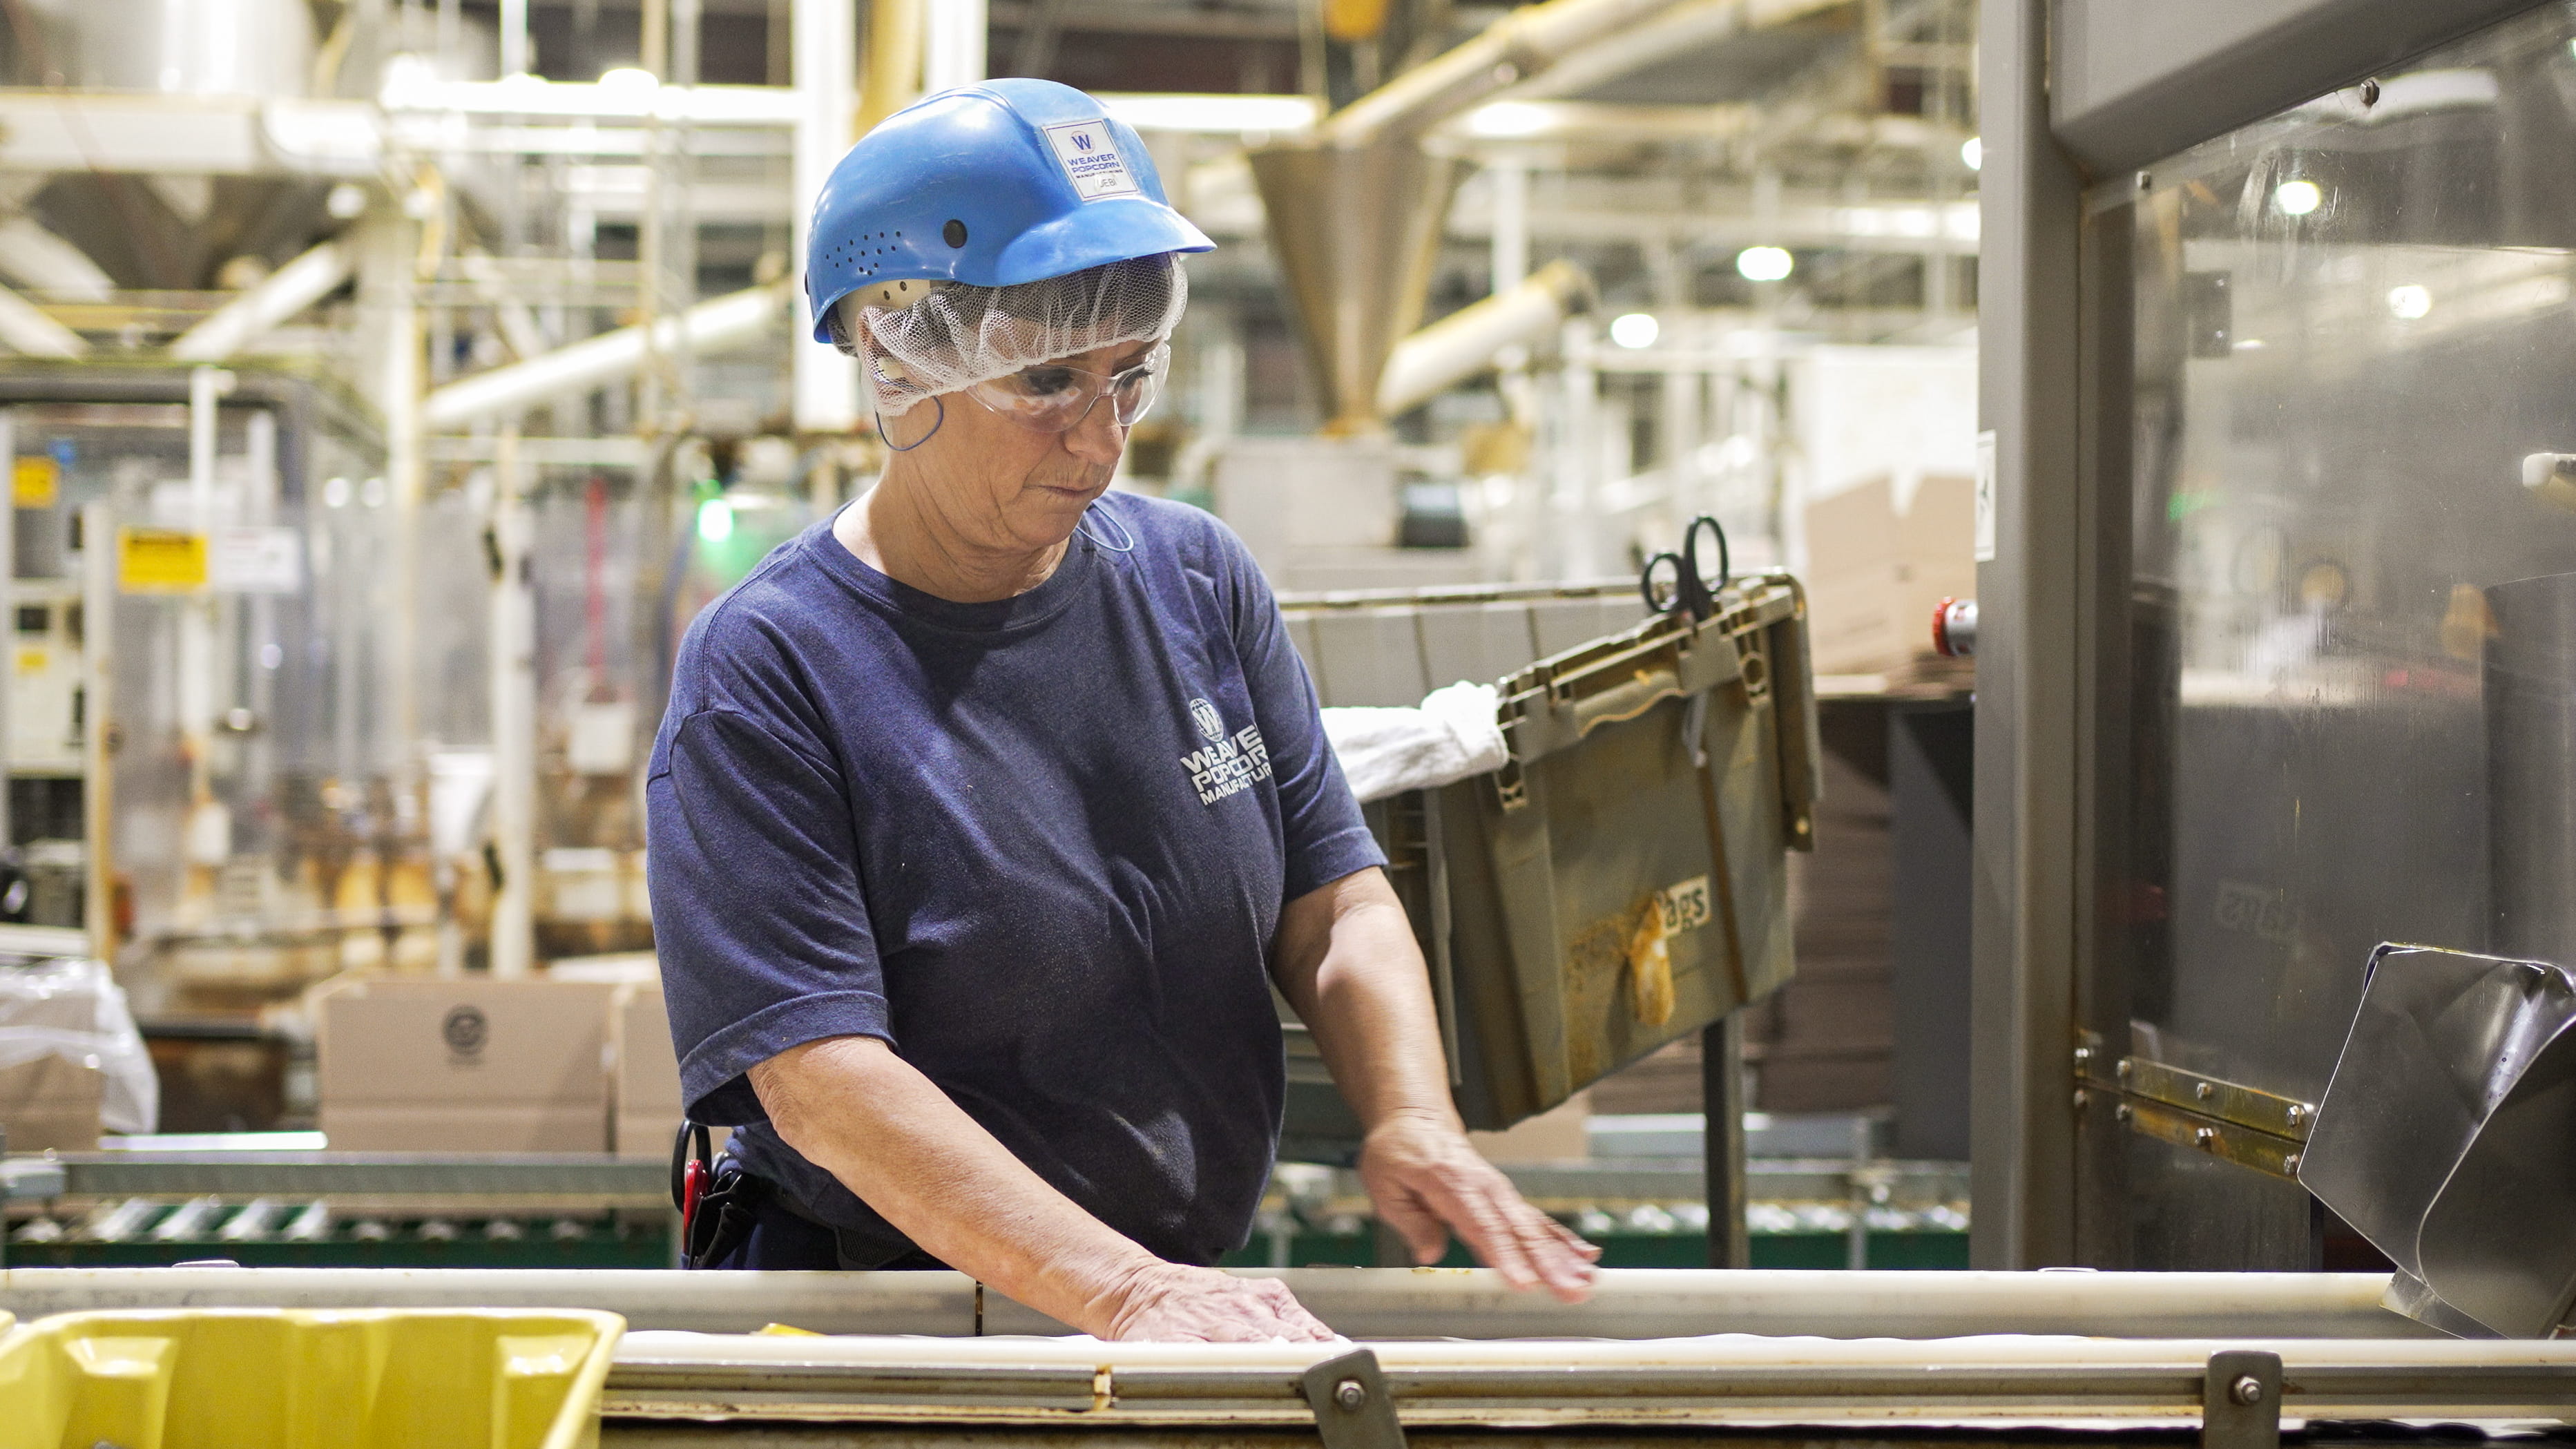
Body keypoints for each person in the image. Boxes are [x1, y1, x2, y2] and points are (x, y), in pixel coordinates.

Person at [646, 78, 1597, 1342]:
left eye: (1128, 376)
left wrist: (1410, 1111)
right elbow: (822, 1081)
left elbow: (1334, 900)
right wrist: (1125, 1288)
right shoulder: (770, 668)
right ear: (895, 355)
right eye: (1045, 383)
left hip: (1163, 1299)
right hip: (887, 1313)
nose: (1100, 444)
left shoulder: (1195, 579)